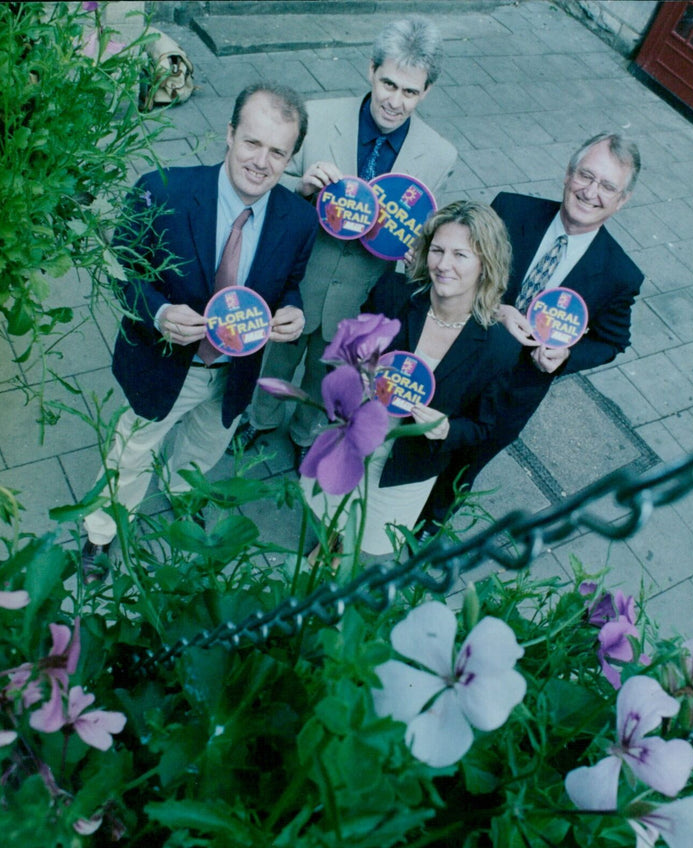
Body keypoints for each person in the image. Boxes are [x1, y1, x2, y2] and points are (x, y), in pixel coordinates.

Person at [81, 83, 319, 580]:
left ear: (292, 157)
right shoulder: (163, 189)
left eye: (278, 151)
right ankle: (100, 531)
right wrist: (160, 313)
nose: (261, 161)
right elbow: (120, 273)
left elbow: (288, 284)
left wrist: (292, 312)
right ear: (229, 135)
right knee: (133, 448)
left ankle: (180, 488)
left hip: (236, 370)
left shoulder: (298, 219)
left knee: (207, 443)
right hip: (169, 362)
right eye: (252, 142)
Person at [232, 15, 457, 463]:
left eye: (410, 92)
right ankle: (258, 419)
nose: (394, 101)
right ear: (371, 69)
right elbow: (264, 179)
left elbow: (423, 229)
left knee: (328, 372)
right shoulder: (319, 114)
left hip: (358, 296)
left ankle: (304, 433)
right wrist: (299, 187)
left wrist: (420, 251)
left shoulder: (440, 155)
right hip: (297, 279)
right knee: (275, 359)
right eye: (388, 83)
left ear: (426, 91)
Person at [422, 132, 644, 530]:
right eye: (585, 176)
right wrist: (495, 309)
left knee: (463, 469)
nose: (590, 192)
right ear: (567, 174)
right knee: (420, 439)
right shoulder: (509, 210)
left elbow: (612, 342)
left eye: (607, 186)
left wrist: (566, 356)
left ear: (622, 200)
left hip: (515, 391)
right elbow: (457, 269)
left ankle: (426, 531)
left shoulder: (619, 273)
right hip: (456, 360)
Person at [302, 201, 520, 558]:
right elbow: (344, 352)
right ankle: (328, 545)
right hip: (355, 437)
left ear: (486, 265)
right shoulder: (394, 293)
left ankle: (344, 556)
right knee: (332, 507)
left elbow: (483, 427)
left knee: (369, 536)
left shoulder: (498, 348)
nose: (443, 265)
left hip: (408, 464)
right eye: (437, 250)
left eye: (460, 255)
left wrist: (447, 428)